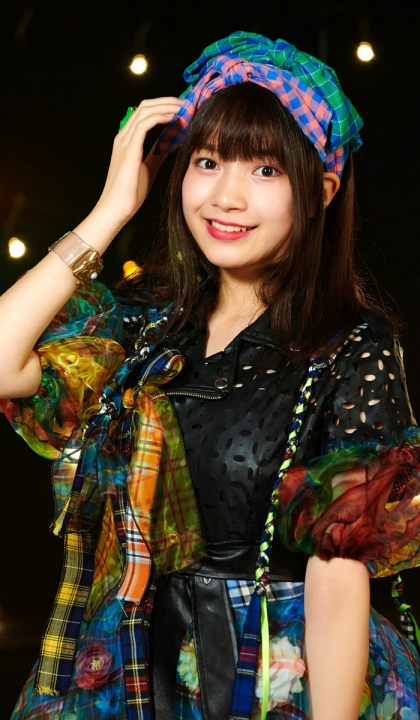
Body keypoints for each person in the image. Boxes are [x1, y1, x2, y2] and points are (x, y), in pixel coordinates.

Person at [0, 30, 420, 720]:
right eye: (207, 161)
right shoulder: (144, 328)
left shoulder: (349, 345)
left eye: (265, 170)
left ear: (320, 191)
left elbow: (339, 572)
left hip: (275, 677)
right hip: (136, 672)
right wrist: (111, 210)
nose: (226, 196)